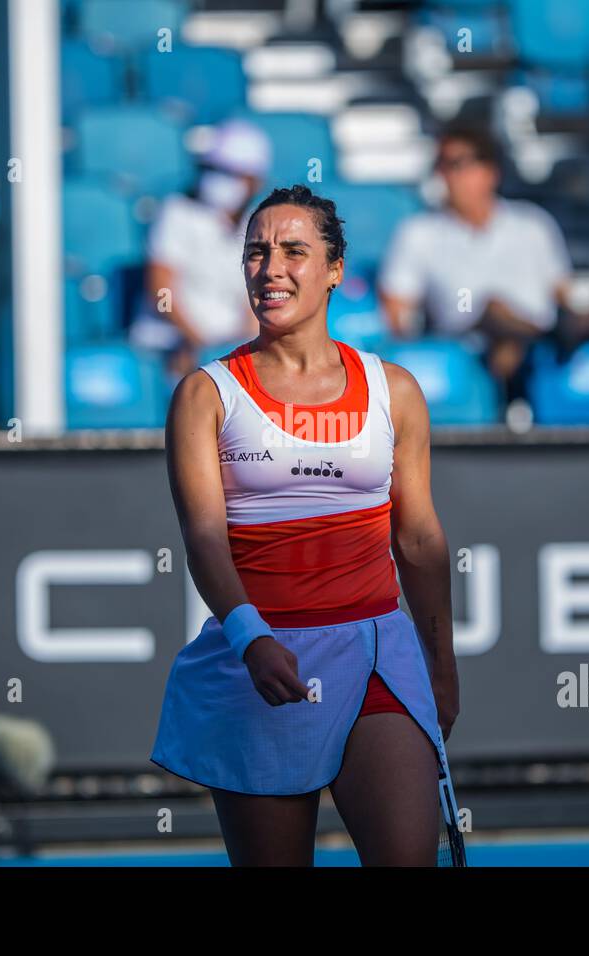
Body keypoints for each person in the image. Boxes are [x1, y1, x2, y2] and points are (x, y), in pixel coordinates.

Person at [150, 184, 460, 866]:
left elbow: (418, 540)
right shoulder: (206, 394)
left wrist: (441, 664)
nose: (271, 269)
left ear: (336, 269)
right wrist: (251, 638)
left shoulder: (394, 389)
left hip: (380, 653)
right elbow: (205, 539)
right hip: (265, 662)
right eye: (256, 252)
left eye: (294, 250)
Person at [377, 122, 589, 407]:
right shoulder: (418, 232)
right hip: (470, 343)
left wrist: (574, 313)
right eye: (442, 164)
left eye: (457, 163)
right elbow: (397, 314)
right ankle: (537, 341)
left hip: (534, 339)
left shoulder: (533, 223)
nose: (446, 175)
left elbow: (561, 292)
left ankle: (532, 343)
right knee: (495, 310)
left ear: (490, 171)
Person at [129, 119, 272, 379]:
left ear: (253, 181)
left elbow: (253, 303)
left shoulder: (257, 223)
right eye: (211, 168)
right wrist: (197, 343)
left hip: (227, 355)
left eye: (229, 172)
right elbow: (160, 291)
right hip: (169, 348)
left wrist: (238, 353)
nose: (216, 179)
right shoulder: (176, 212)